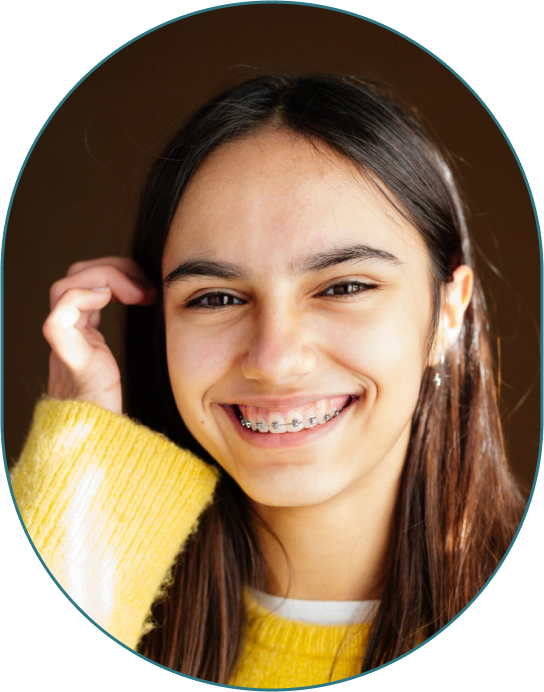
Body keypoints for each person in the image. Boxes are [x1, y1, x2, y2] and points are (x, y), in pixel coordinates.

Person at [10, 74, 526, 687]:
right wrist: (81, 468)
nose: (274, 359)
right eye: (217, 297)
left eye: (344, 287)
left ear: (447, 311)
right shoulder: (90, 591)